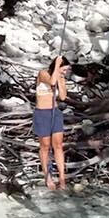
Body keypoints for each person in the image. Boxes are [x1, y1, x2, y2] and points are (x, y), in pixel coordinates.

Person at [33, 56, 69, 190]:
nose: (64, 72)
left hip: (55, 112)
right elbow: (51, 82)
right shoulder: (43, 74)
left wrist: (62, 80)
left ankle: (62, 178)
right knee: (45, 145)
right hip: (42, 113)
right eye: (63, 70)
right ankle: (48, 177)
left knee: (58, 145)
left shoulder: (59, 77)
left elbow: (63, 97)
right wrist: (57, 66)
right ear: (57, 66)